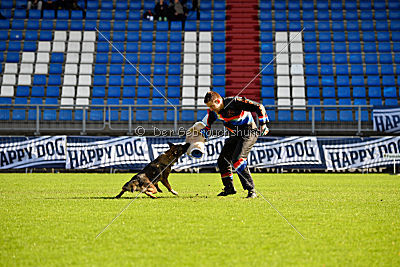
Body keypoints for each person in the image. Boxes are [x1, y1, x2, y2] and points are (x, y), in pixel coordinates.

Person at [199, 91, 269, 198]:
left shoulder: (235, 101)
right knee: (223, 161)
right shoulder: (213, 111)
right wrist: (204, 131)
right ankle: (229, 188)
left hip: (250, 131)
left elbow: (259, 106)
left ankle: (251, 190)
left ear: (218, 101)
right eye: (210, 107)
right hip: (235, 134)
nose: (211, 109)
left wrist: (263, 124)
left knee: (238, 160)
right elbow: (207, 123)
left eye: (212, 106)